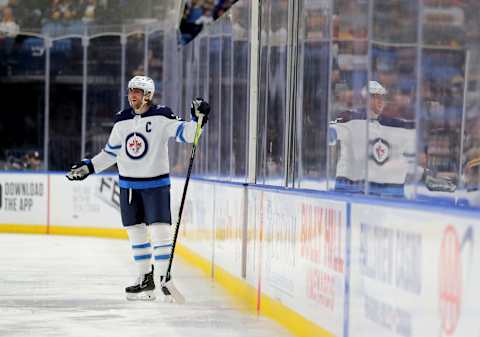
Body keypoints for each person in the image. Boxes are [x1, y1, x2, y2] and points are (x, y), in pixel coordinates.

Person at [66, 75, 210, 300]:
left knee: (161, 232)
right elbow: (110, 153)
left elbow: (189, 135)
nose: (132, 95)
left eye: (138, 91)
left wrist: (198, 117)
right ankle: (146, 279)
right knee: (136, 233)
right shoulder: (121, 120)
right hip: (129, 186)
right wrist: (89, 168)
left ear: (148, 95)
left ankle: (164, 279)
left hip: (156, 185)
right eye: (131, 90)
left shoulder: (163, 116)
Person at [329, 80, 416, 198]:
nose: (380, 101)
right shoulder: (350, 119)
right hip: (351, 189)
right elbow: (332, 133)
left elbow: (413, 152)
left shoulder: (393, 124)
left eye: (382, 98)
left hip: (385, 192)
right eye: (375, 97)